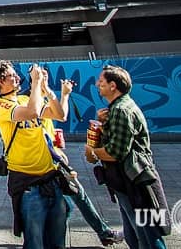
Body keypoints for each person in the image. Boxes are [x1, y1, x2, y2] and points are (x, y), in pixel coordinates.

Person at [86, 66, 170, 249]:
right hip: (125, 181)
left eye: (101, 82)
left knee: (147, 234)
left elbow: (115, 152)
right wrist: (102, 124)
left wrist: (91, 151)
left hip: (134, 181)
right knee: (133, 232)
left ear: (113, 85)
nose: (97, 85)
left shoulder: (121, 110)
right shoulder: (116, 108)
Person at [0, 61, 69, 249]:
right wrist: (35, 83)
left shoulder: (25, 99)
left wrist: (47, 89)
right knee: (35, 242)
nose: (17, 77)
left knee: (58, 239)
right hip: (27, 183)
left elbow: (59, 115)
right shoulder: (0, 105)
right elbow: (32, 112)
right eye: (12, 75)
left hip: (51, 176)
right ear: (0, 80)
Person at [39, 78, 123, 246]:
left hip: (54, 163)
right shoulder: (36, 108)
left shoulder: (43, 109)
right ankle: (103, 232)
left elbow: (56, 118)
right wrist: (63, 95)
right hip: (50, 166)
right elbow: (61, 115)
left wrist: (64, 95)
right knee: (76, 198)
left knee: (70, 202)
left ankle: (46, 235)